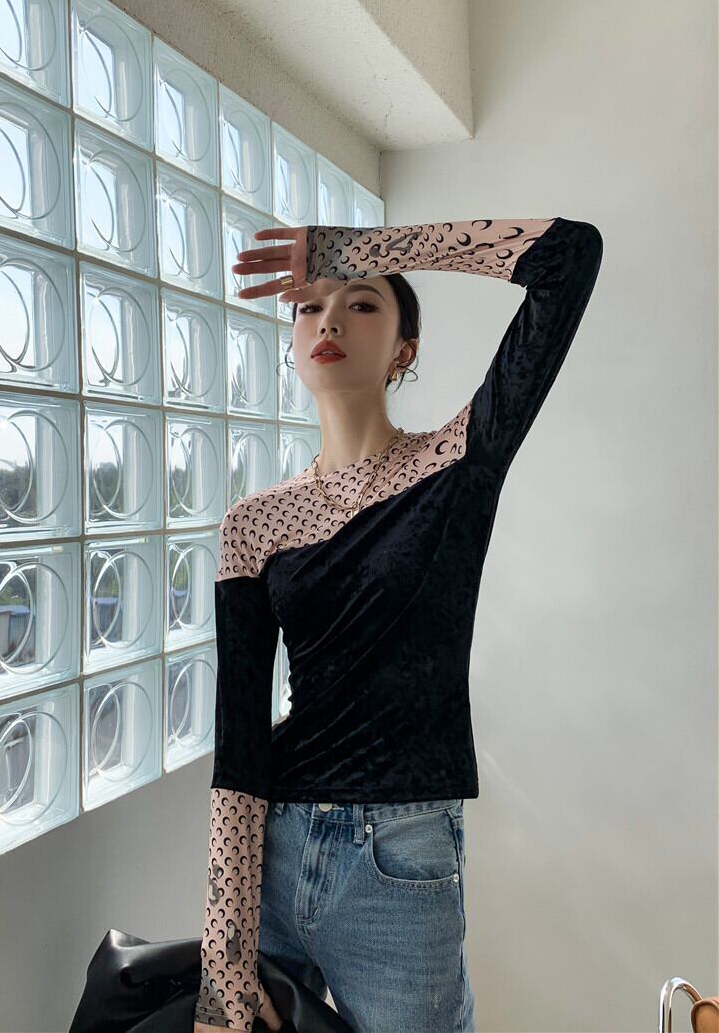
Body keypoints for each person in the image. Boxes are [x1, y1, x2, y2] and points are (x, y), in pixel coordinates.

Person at [193, 215, 604, 1033]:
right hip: (273, 853)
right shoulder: (253, 524)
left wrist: (354, 250)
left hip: (401, 863)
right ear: (292, 344)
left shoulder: (458, 464)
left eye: (362, 304)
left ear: (404, 350)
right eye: (309, 309)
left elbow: (570, 257)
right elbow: (239, 746)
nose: (330, 322)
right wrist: (224, 958)